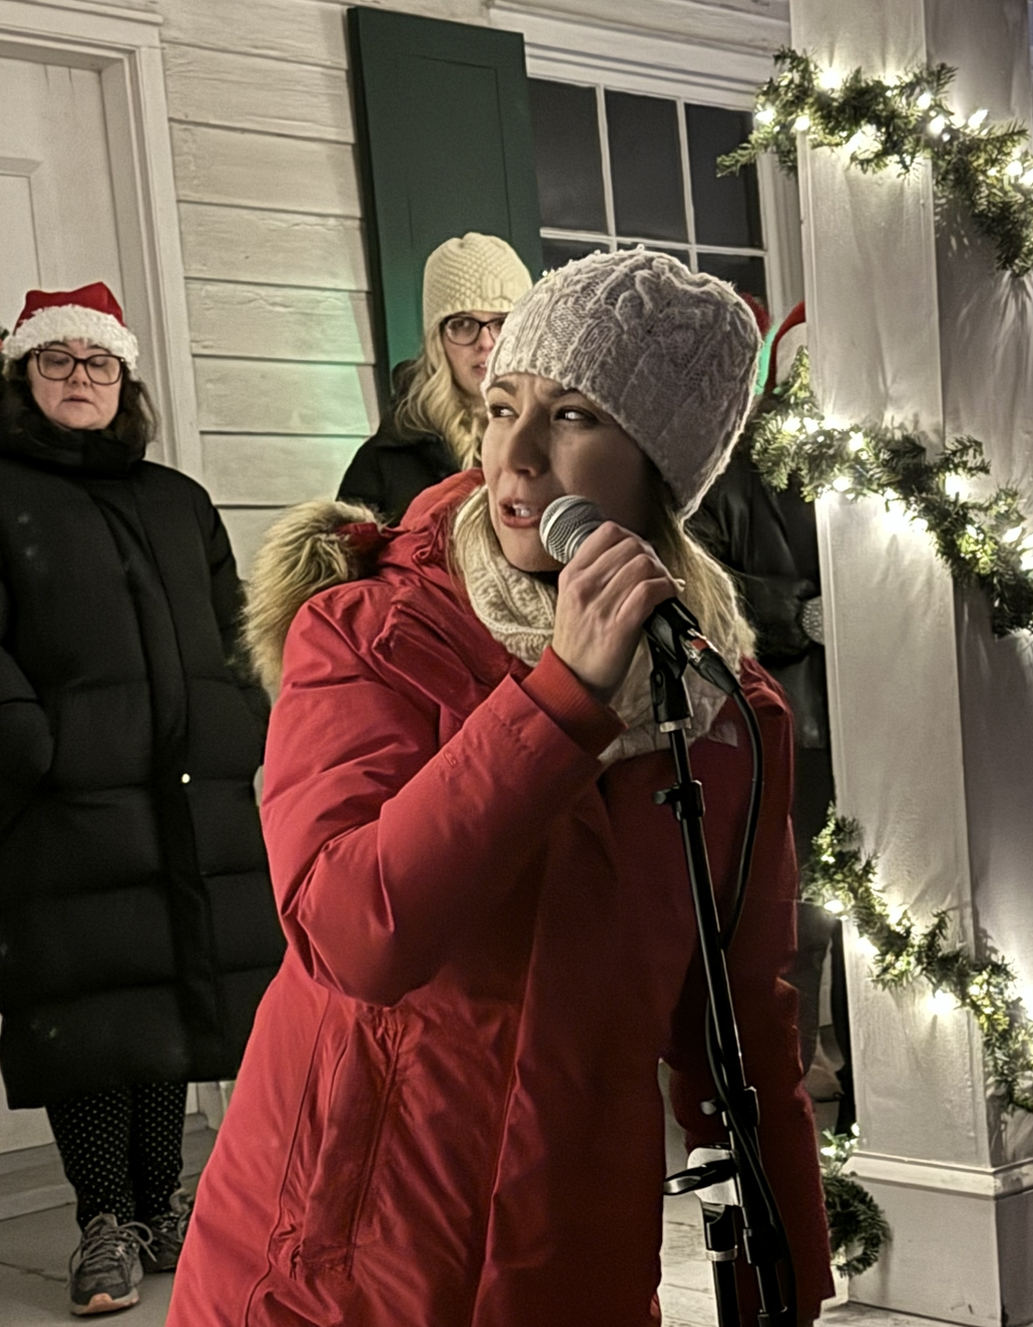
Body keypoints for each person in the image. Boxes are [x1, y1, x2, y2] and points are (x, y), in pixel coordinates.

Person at [168, 251, 833, 1327]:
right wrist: (558, 702)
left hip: (564, 1262)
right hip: (331, 1264)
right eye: (500, 407)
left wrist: (787, 1277)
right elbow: (355, 934)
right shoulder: (369, 629)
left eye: (570, 416)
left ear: (661, 470)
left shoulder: (724, 711)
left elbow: (742, 1021)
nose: (512, 457)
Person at [0, 283, 285, 1316]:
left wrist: (237, 728)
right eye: (58, 361)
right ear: (23, 376)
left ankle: (164, 1203)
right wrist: (35, 747)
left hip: (188, 796)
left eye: (99, 363)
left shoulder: (176, 499)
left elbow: (236, 630)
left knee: (174, 1003)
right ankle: (102, 1218)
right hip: (64, 805)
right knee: (89, 1013)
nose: (81, 378)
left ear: (125, 381)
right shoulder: (1, 492)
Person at [690, 302, 854, 1128]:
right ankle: (775, 1063)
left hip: (866, 714)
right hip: (785, 717)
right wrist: (802, 612)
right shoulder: (734, 475)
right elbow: (707, 587)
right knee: (789, 908)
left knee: (849, 902)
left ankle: (834, 1060)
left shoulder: (860, 468)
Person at [336, 231, 532, 523]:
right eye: (463, 324)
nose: (486, 342)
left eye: (502, 322)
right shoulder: (382, 463)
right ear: (436, 341)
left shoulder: (562, 442)